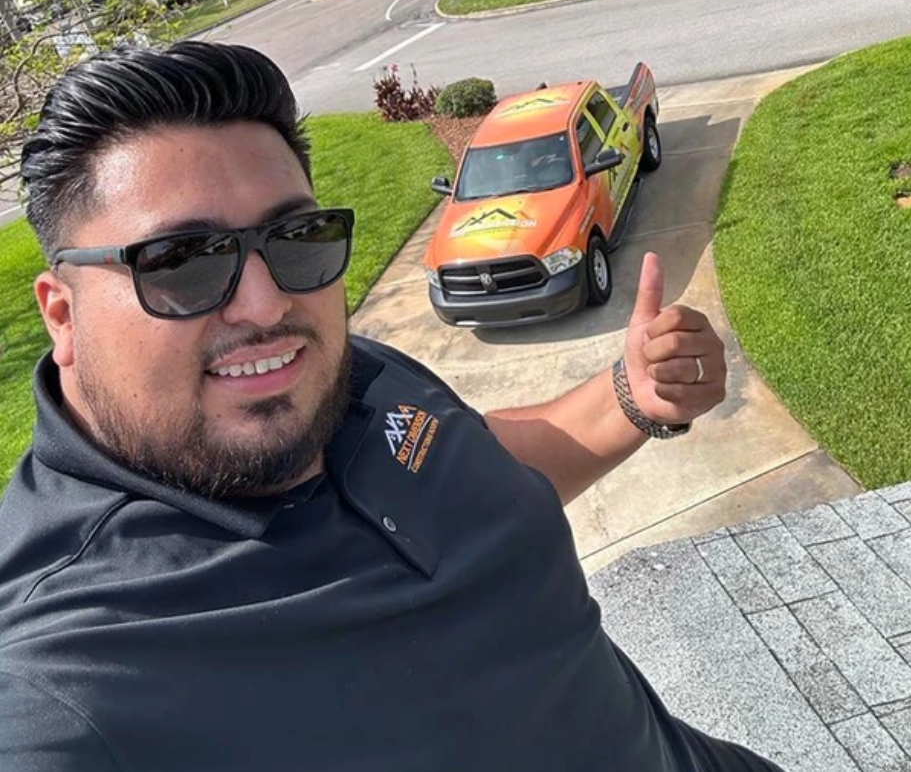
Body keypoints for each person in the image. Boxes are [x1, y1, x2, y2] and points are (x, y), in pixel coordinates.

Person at [0, 42, 784, 772]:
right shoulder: (65, 678)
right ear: (62, 315)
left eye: (297, 236)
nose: (267, 304)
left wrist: (630, 398)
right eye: (179, 262)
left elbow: (467, 465)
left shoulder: (340, 372)